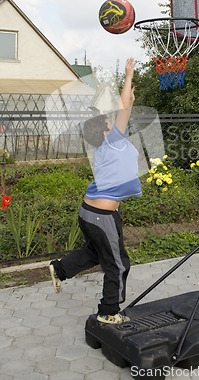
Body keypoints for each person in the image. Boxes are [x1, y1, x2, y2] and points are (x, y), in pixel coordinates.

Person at [49, 57, 141, 325]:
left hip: (90, 212)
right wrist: (128, 76)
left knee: (95, 253)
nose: (112, 121)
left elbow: (124, 110)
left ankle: (60, 268)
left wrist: (130, 100)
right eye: (107, 122)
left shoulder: (103, 146)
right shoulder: (112, 142)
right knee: (119, 264)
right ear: (105, 132)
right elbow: (122, 109)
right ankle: (108, 310)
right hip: (101, 215)